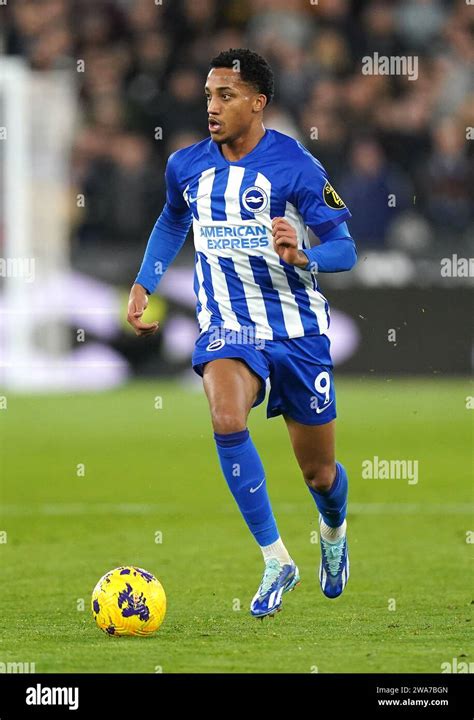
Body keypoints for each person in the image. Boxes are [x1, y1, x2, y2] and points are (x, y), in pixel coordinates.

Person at [127, 48, 357, 618]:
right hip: (229, 326)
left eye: (226, 96)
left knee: (319, 473)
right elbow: (172, 217)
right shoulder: (186, 165)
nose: (212, 106)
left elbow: (346, 249)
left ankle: (333, 531)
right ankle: (277, 559)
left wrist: (304, 255)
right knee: (227, 418)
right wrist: (144, 282)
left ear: (258, 103)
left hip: (297, 331)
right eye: (208, 95)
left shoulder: (297, 167)